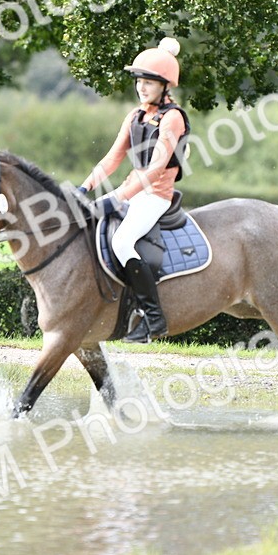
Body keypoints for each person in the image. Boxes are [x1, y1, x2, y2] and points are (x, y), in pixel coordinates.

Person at [79, 37, 190, 343]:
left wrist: (118, 197)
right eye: (140, 80)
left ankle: (153, 319)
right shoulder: (136, 116)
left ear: (165, 86)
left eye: (150, 82)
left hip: (156, 196)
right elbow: (114, 156)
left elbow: (155, 168)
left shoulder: (173, 118)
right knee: (86, 224)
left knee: (124, 241)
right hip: (132, 191)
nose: (142, 87)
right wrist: (85, 186)